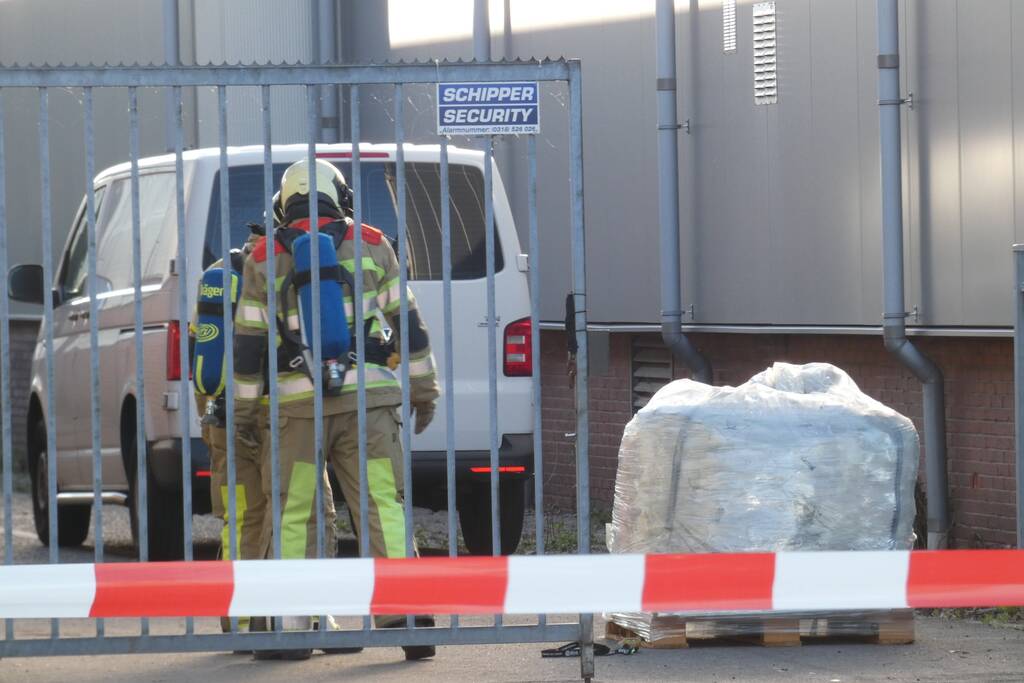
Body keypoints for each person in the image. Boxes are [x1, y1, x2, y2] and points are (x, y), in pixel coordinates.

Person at [234, 158, 439, 661]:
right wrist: (423, 389)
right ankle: (406, 614)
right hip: (368, 404)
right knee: (382, 503)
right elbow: (408, 323)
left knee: (295, 511)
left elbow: (248, 345)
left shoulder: (263, 255)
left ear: (283, 205)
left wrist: (244, 414)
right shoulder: (373, 243)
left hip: (296, 410)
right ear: (341, 196)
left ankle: (292, 623)